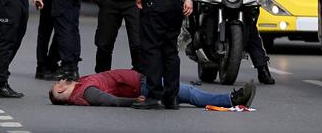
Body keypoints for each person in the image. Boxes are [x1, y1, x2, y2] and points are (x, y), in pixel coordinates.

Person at [48, 69, 255, 108]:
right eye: (58, 84)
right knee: (189, 94)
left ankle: (229, 99)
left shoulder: (82, 85)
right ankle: (232, 100)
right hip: (145, 87)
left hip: (144, 81)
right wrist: (134, 101)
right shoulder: (85, 92)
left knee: (186, 91)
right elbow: (109, 101)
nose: (61, 81)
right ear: (59, 92)